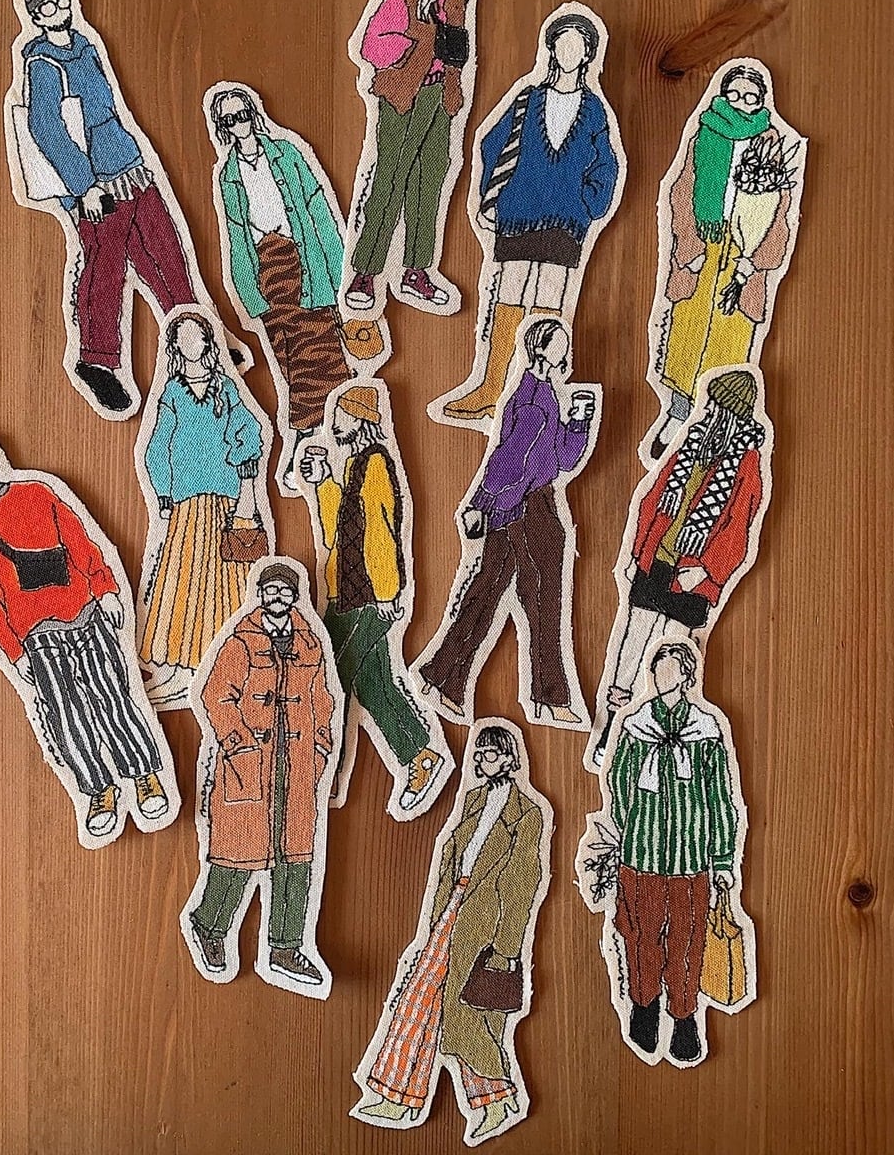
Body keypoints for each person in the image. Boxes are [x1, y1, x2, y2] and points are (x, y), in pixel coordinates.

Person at [0, 435, 171, 839]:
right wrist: (14, 651)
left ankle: (144, 777)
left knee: (115, 696)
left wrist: (104, 588)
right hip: (36, 635)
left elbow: (78, 541)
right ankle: (99, 792)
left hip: (85, 612)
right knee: (67, 717)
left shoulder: (38, 492)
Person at [14, 0, 200, 412]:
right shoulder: (43, 64)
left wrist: (132, 156)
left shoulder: (87, 45)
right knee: (106, 268)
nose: (59, 9)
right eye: (48, 5)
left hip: (127, 162)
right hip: (94, 181)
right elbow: (47, 128)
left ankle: (195, 327)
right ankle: (96, 360)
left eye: (62, 0)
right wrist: (85, 186)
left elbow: (111, 106)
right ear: (37, 16)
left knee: (165, 250)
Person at [355, 724, 547, 1142]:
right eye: (479, 754)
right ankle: (396, 1094)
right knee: (419, 999)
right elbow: (450, 858)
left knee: (466, 1015)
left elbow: (522, 883)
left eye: (490, 754)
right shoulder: (474, 800)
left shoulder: (528, 814)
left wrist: (506, 948)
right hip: (450, 910)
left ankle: (495, 1102)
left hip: (485, 923)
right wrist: (434, 917)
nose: (481, 760)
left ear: (509, 759)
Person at [445, 9, 622, 422]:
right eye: (563, 43)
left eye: (578, 45)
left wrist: (587, 204)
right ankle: (491, 388)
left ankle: (534, 396)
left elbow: (607, 165)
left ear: (588, 54)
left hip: (565, 225)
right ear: (552, 49)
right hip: (518, 216)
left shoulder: (595, 110)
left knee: (549, 308)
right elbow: (492, 144)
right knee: (508, 299)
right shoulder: (528, 98)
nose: (569, 51)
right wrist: (491, 198)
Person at [419, 319, 595, 724]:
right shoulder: (532, 400)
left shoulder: (545, 394)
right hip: (530, 506)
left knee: (487, 590)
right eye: (558, 344)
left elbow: (562, 460)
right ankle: (550, 696)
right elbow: (509, 461)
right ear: (539, 350)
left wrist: (578, 423)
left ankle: (442, 679)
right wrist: (482, 502)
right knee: (544, 598)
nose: (565, 350)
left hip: (517, 503)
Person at [592, 368, 766, 765]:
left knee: (667, 661)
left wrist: (707, 571)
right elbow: (654, 496)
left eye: (722, 408)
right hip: (656, 561)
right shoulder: (691, 443)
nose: (713, 413)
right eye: (713, 405)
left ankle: (641, 745)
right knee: (629, 650)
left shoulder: (747, 462)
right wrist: (637, 552)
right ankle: (608, 734)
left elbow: (739, 525)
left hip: (691, 578)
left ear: (735, 415)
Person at [188, 562, 335, 988]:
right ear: (261, 594)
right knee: (238, 851)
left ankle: (286, 947)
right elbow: (217, 695)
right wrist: (238, 744)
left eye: (285, 591)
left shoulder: (309, 645)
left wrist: (320, 748)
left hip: (297, 766)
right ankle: (209, 926)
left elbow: (322, 700)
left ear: (294, 596)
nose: (278, 597)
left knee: (295, 858)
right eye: (271, 589)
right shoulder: (241, 642)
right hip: (249, 765)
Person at [300, 385, 443, 812]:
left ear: (360, 419)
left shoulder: (376, 465)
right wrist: (323, 482)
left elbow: (380, 530)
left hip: (366, 598)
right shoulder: (353, 465)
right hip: (348, 593)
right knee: (375, 686)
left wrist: (387, 593)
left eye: (341, 416)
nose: (333, 423)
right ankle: (421, 756)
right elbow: (335, 534)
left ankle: (326, 773)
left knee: (331, 681)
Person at [650, 64, 797, 457]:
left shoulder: (772, 144)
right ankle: (678, 412)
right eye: (735, 95)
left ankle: (716, 423)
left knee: (730, 338)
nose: (742, 103)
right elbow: (682, 192)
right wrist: (689, 248)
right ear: (722, 96)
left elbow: (780, 216)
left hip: (745, 256)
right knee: (687, 330)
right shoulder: (705, 134)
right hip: (704, 245)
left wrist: (755, 261)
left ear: (761, 101)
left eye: (751, 97)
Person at [209, 86, 351, 488]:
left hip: (304, 261)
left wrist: (339, 270)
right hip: (266, 269)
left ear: (253, 114)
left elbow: (318, 208)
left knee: (321, 345)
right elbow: (236, 238)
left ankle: (321, 437)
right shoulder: (228, 176)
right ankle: (309, 442)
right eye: (230, 120)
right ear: (223, 127)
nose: (239, 125)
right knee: (287, 354)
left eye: (242, 115)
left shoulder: (287, 154)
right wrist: (248, 293)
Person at [607, 643, 739, 1064]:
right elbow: (619, 784)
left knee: (687, 941)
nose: (662, 677)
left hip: (691, 861)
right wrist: (635, 828)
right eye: (657, 670)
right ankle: (643, 1010)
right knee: (640, 937)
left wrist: (722, 859)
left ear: (686, 676)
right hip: (641, 859)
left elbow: (720, 798)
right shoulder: (636, 728)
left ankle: (684, 1018)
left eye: (670, 671)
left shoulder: (706, 731)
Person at [346, 0, 476, 311]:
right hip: (404, 94)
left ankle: (416, 270)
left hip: (442, 93)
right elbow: (373, 44)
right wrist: (422, 43)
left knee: (430, 181)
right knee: (391, 177)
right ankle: (366, 272)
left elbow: (457, 38)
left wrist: (453, 56)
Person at [138, 312, 264, 707]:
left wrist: (244, 464)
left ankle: (224, 662)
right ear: (175, 347)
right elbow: (158, 445)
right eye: (184, 338)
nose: (191, 343)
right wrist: (163, 493)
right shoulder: (172, 393)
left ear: (209, 342)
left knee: (224, 579)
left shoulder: (225, 387)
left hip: (225, 495)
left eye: (197, 336)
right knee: (185, 577)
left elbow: (248, 428)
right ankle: (181, 665)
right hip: (187, 500)